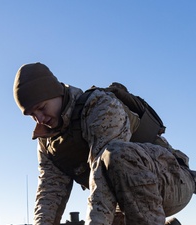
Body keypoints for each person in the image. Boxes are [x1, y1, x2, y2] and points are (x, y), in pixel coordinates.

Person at [12, 62, 196, 225]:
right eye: (32, 115)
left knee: (115, 153)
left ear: (57, 93)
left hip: (172, 181)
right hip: (124, 201)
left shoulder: (99, 106)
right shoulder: (49, 140)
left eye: (42, 108)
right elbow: (49, 191)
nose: (40, 119)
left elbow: (102, 177)